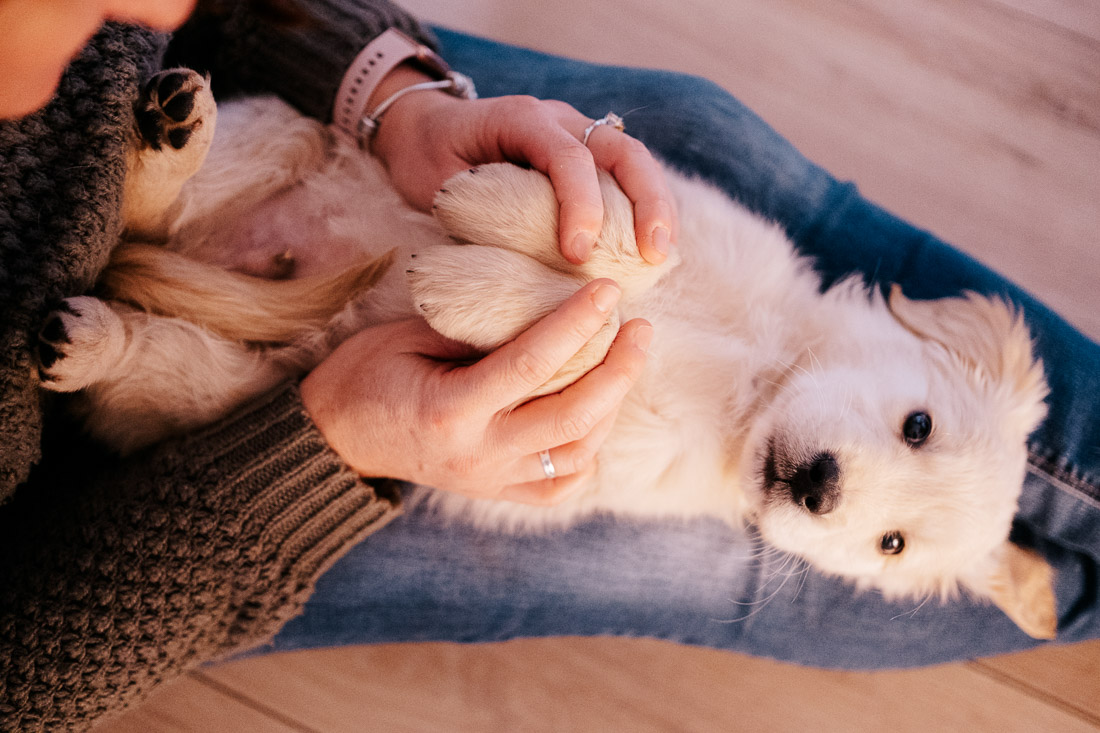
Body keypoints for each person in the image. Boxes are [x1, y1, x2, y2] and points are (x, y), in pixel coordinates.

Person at [0, 1, 1096, 731]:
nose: (841, 489)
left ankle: (145, 261)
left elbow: (215, 15)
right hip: (101, 512)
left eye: (887, 538)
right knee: (691, 143)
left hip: (287, 267)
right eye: (912, 429)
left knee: (679, 136)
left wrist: (397, 94)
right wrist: (335, 447)